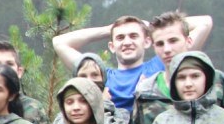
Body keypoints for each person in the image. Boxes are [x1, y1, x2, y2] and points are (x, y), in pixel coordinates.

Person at [52, 14, 212, 114]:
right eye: (120, 37)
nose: (127, 42)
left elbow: (205, 22)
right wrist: (108, 30)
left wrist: (152, 27)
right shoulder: (99, 75)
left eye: (134, 36)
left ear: (148, 41)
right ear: (112, 46)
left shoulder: (164, 63)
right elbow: (60, 42)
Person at [49, 54, 127, 124]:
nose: (89, 81)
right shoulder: (64, 115)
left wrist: (102, 105)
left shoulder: (120, 115)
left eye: (95, 75)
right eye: (83, 76)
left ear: (103, 78)